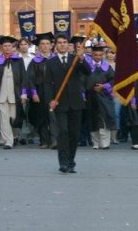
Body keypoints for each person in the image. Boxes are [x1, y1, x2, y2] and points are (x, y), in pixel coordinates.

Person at [45, 33, 91, 174]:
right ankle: (63, 162)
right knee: (63, 132)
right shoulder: (51, 62)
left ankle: (71, 161)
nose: (62, 44)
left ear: (68, 44)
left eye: (65, 42)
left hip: (76, 103)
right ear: (55, 45)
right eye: (59, 42)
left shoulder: (76, 59)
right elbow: (47, 84)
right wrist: (50, 100)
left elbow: (88, 72)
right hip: (60, 103)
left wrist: (82, 58)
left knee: (74, 133)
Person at [0, 36, 28, 149]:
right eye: (5, 46)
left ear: (12, 47)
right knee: (4, 118)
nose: (7, 48)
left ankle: (13, 135)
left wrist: (24, 93)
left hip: (14, 94)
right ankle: (8, 141)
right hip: (1, 94)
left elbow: (24, 78)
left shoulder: (18, 60)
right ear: (1, 47)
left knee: (13, 117)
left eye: (9, 46)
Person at [27, 32, 55, 148]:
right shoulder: (34, 61)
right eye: (42, 44)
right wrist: (34, 93)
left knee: (53, 117)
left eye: (47, 43)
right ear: (39, 46)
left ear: (51, 45)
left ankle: (54, 140)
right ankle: (44, 141)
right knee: (41, 116)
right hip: (40, 91)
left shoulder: (56, 59)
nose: (45, 46)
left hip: (54, 92)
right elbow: (30, 79)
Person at [86, 45, 116, 149]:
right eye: (95, 55)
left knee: (104, 118)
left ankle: (105, 143)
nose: (98, 57)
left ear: (103, 55)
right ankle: (95, 143)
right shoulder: (87, 66)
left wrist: (104, 86)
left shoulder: (107, 67)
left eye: (100, 55)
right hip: (90, 96)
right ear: (92, 55)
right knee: (92, 119)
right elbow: (81, 80)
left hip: (104, 97)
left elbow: (114, 80)